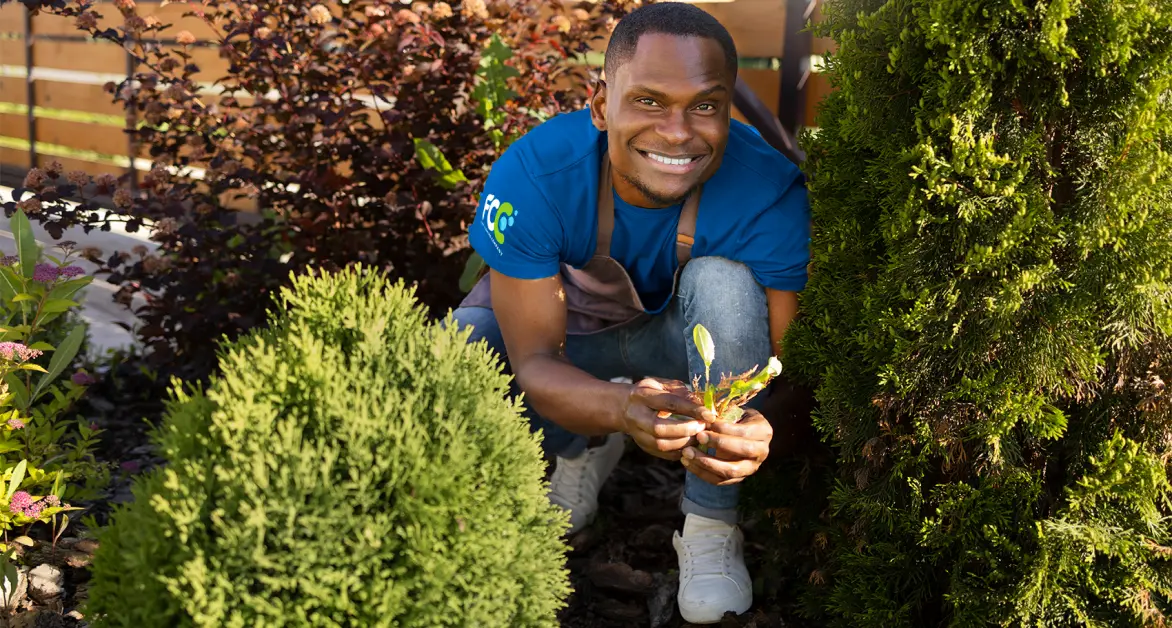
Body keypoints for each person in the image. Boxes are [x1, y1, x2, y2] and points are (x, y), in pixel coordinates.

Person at [452, 2, 809, 623]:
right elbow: (534, 359)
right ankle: (575, 449)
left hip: (683, 345)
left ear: (727, 109)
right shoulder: (535, 174)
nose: (677, 132)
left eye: (704, 104)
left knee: (724, 282)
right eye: (648, 101)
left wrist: (761, 429)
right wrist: (619, 409)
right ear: (599, 105)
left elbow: (786, 366)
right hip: (574, 341)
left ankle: (709, 527)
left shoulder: (768, 191)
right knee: (470, 337)